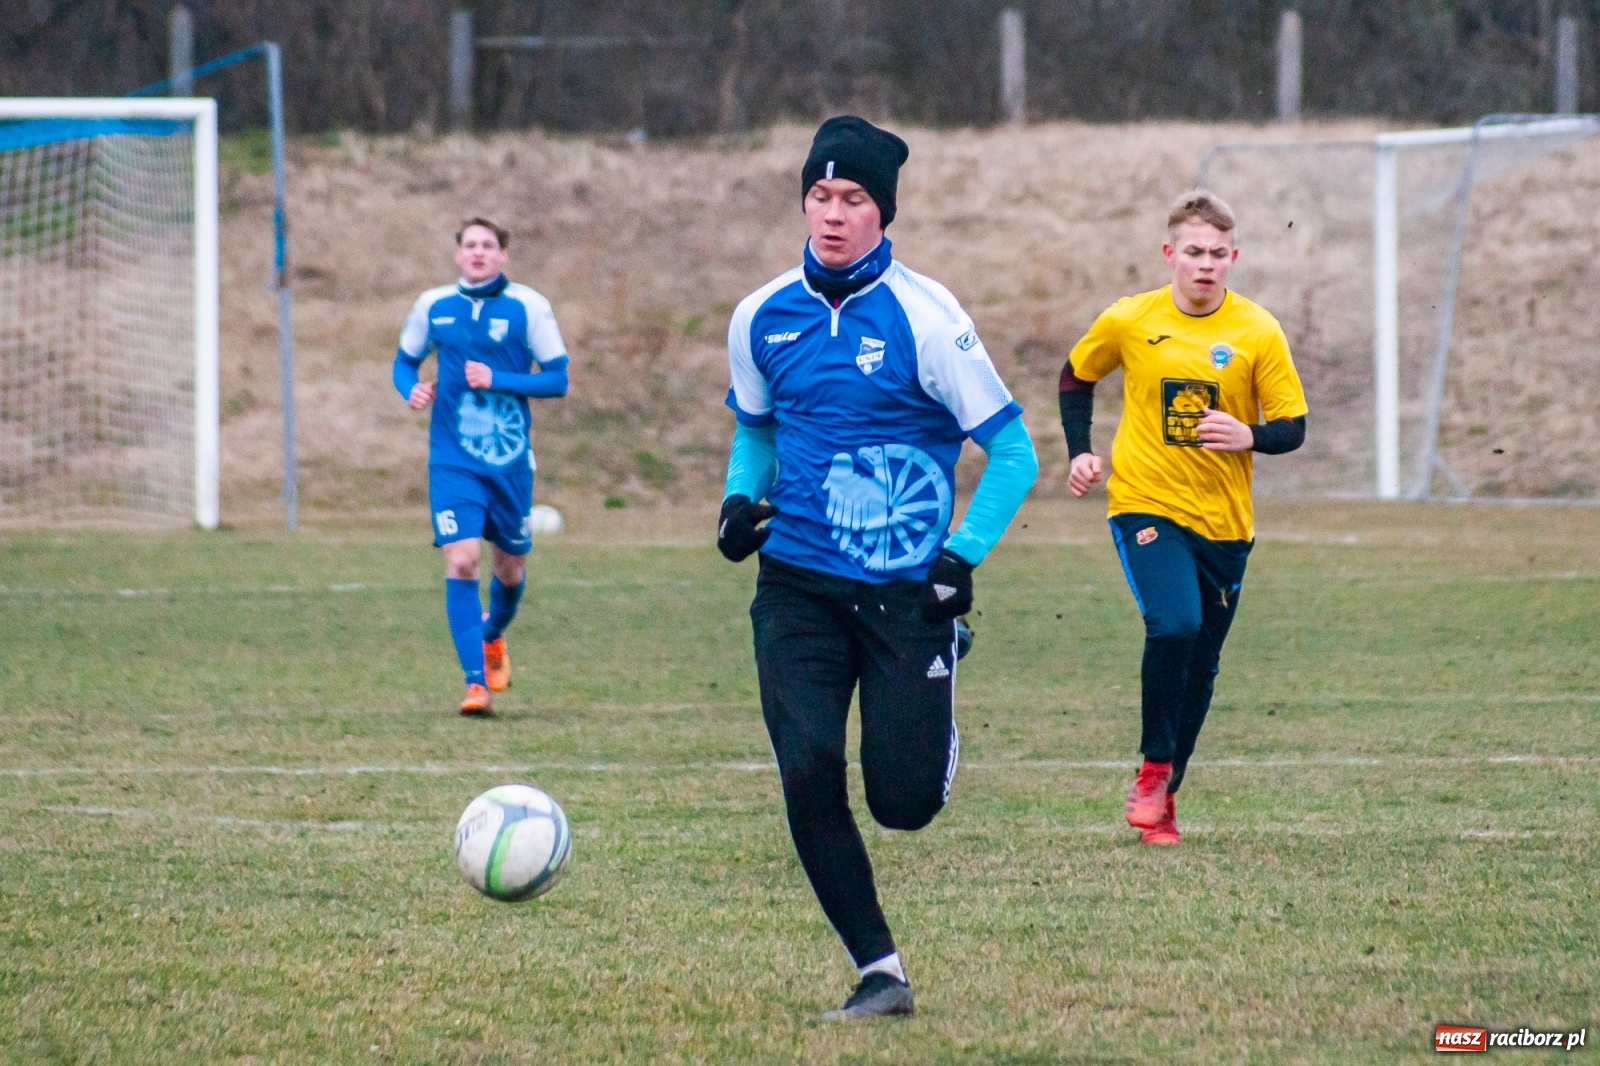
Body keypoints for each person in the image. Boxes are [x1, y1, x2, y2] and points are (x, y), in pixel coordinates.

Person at [718, 116, 1038, 1020]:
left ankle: (943, 674)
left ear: (883, 213)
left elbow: (1012, 454)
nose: (832, 214)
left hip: (905, 592)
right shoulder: (762, 314)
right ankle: (880, 971)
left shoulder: (928, 319)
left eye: (853, 199)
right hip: (796, 584)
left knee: (900, 804)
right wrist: (740, 504)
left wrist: (960, 558)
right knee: (807, 763)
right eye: (819, 196)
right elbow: (755, 426)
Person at [1059, 190, 1308, 845]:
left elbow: (1293, 427)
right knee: (1174, 623)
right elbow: (1076, 374)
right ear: (1170, 254)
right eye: (1193, 252)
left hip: (1225, 526)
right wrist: (1081, 451)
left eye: (1217, 254)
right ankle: (1152, 768)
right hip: (1146, 503)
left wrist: (1248, 434)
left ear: (1234, 258)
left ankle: (1164, 793)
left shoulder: (1258, 331)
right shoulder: (1130, 320)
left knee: (1201, 667)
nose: (1205, 264)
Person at [393, 217, 570, 715]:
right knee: (462, 560)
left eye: (487, 245)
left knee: (509, 571)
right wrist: (412, 389)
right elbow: (404, 362)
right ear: (457, 255)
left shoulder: (529, 306)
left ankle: (491, 636)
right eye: (469, 245)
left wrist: (498, 377)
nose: (478, 252)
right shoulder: (433, 306)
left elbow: (557, 380)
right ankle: (476, 685)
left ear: (502, 256)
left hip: (509, 462)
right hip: (452, 460)